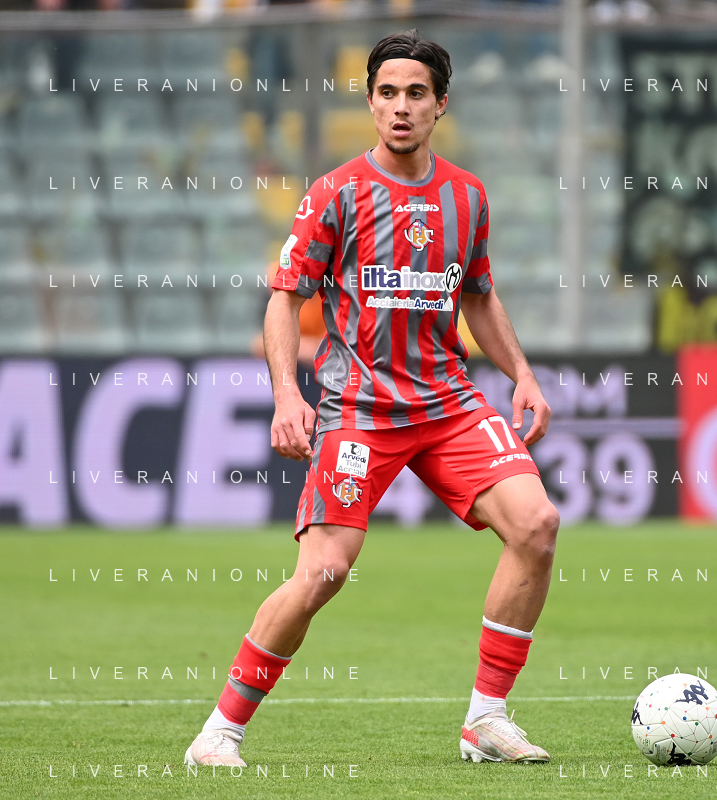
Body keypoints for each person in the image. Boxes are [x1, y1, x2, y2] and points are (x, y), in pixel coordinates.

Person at [184, 29, 560, 767]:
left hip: (448, 403)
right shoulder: (335, 193)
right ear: (369, 101)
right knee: (324, 571)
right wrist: (285, 395)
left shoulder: (467, 196)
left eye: (416, 93)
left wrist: (521, 372)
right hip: (359, 408)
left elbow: (478, 294)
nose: (400, 107)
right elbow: (284, 299)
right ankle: (218, 732)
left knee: (537, 524)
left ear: (440, 104)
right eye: (387, 93)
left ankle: (486, 720)